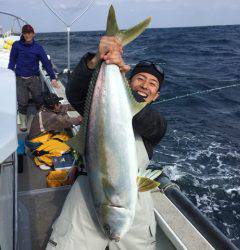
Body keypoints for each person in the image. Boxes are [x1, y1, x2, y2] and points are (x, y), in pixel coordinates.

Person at [46, 36, 167, 249]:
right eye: (140, 79)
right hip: (87, 198)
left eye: (152, 83)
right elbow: (74, 94)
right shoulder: (98, 105)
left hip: (135, 210)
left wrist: (122, 85)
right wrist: (96, 61)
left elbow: (149, 123)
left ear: (156, 96)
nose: (145, 85)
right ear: (129, 81)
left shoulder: (155, 124)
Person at [8, 24, 60, 132]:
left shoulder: (38, 47)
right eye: (26, 33)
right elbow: (12, 61)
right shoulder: (16, 45)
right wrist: (9, 74)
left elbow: (46, 63)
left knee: (39, 99)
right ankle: (23, 122)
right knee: (22, 101)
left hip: (34, 79)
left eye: (30, 33)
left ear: (33, 34)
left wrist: (53, 78)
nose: (28, 35)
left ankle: (41, 119)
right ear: (23, 34)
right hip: (20, 79)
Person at [26, 93, 83, 170]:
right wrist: (79, 119)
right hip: (36, 143)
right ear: (54, 106)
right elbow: (66, 122)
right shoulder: (51, 117)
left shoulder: (45, 108)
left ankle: (44, 151)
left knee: (64, 136)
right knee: (65, 147)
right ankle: (41, 159)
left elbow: (63, 107)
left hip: (41, 137)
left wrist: (79, 107)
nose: (60, 104)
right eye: (58, 104)